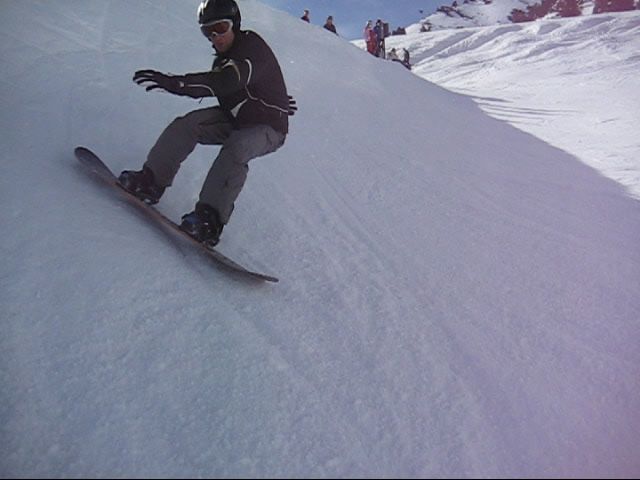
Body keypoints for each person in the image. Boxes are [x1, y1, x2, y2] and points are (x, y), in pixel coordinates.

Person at [119, 0, 295, 247]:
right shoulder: (221, 61)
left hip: (269, 128)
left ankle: (209, 219)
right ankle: (151, 182)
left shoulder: (251, 45)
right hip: (236, 119)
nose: (215, 37)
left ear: (235, 24)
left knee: (238, 146)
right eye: (207, 32)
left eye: (220, 28)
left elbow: (226, 81)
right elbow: (229, 82)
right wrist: (275, 95)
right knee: (187, 125)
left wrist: (177, 83)